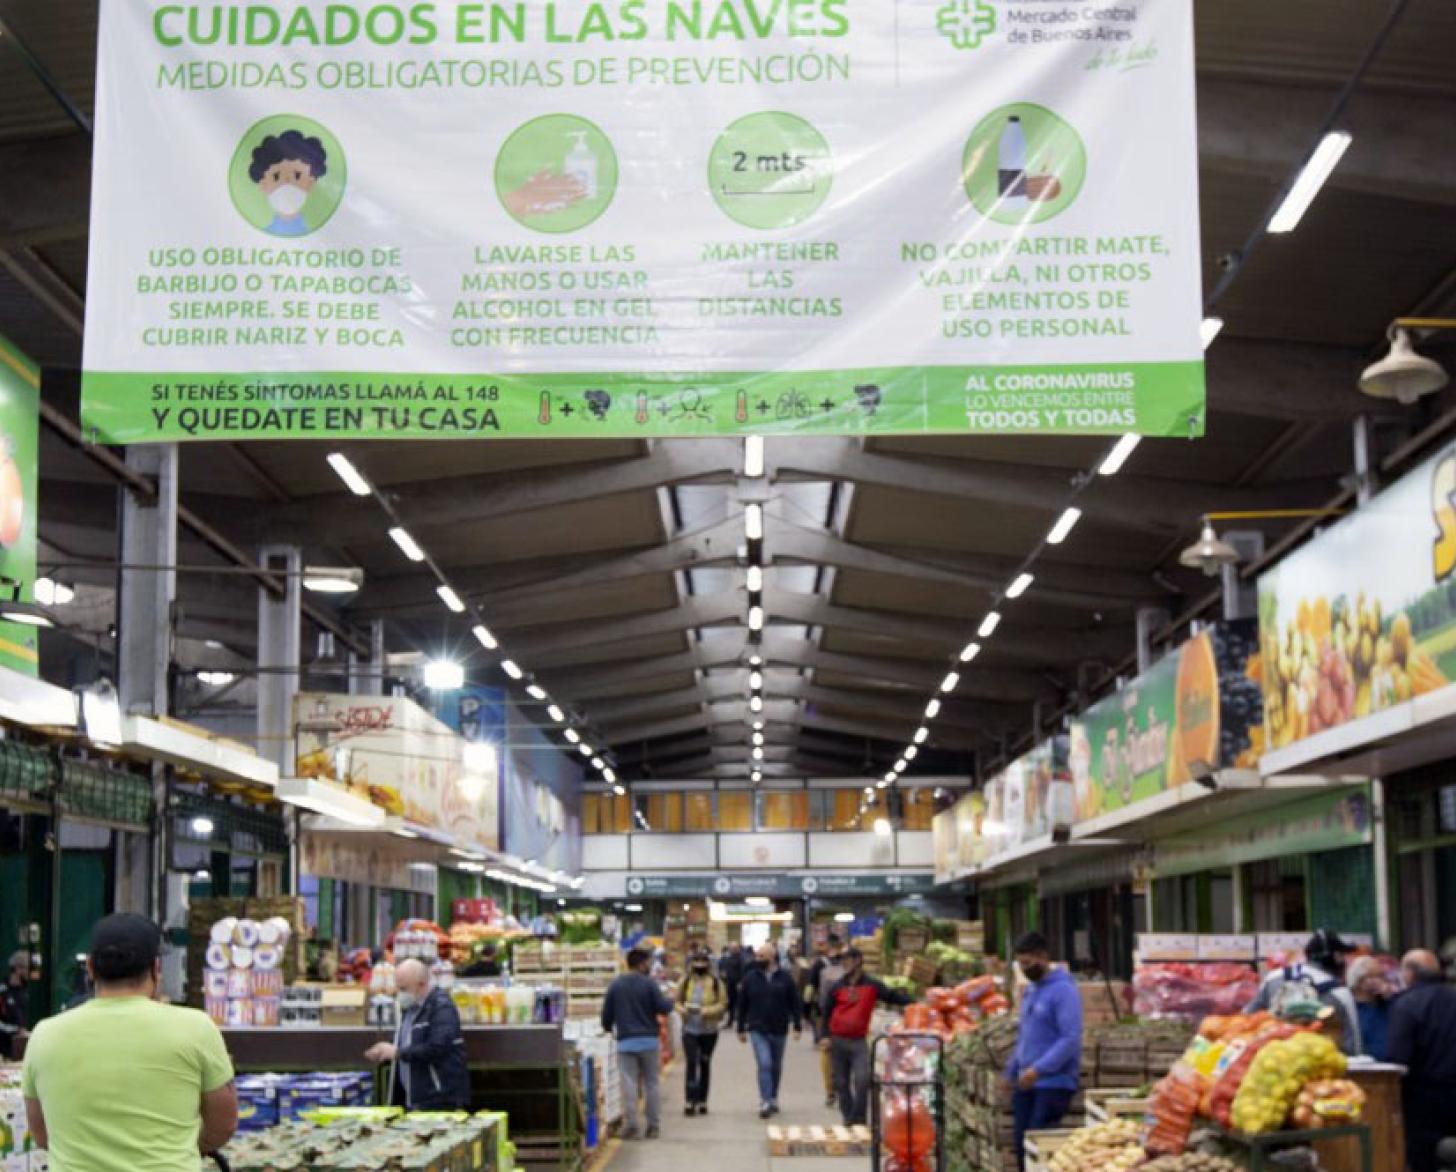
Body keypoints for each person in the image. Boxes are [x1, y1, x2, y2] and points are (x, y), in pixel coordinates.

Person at [21, 913, 237, 1172]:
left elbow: (42, 1135)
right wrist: (182, 1147)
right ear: (156, 969)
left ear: (90, 968)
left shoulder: (45, 1035)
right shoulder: (196, 1028)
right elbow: (222, 1125)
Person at [1004, 933, 1082, 1172]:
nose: (1024, 969)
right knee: (1022, 1144)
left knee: (1040, 1146)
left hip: (1053, 1083)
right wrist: (1012, 1070)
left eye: (1027, 964)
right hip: (1026, 1083)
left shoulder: (1063, 991)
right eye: (1020, 964)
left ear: (1043, 957)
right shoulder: (1031, 990)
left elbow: (1070, 1038)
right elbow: (1025, 1035)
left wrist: (1039, 1069)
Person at [821, 946, 913, 1125]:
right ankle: (848, 1117)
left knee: (863, 1079)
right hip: (837, 1041)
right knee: (840, 1082)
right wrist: (823, 1036)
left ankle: (859, 1116)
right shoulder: (837, 987)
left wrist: (914, 1003)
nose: (844, 963)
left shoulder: (872, 985)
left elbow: (891, 996)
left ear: (857, 961)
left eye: (847, 959)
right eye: (842, 960)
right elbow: (826, 1013)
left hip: (858, 1042)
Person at [364, 957, 469, 1110]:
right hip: (415, 1099)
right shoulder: (410, 1008)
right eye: (398, 988)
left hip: (438, 1099)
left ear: (421, 984)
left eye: (404, 989)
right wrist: (385, 1051)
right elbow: (408, 1043)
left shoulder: (441, 1007)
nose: (400, 994)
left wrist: (397, 1052)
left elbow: (436, 1048)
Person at [1387, 949, 1456, 1172]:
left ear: (1409, 973)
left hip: (1422, 1098)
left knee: (1422, 1159)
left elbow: (1398, 1058)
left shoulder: (1407, 1005)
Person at [1245, 929, 1361, 1054]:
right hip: (1319, 1065)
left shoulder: (1273, 977)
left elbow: (1246, 1019)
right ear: (1336, 957)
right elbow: (1353, 1047)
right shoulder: (1340, 993)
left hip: (1270, 1061)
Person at [602, 947, 673, 1140]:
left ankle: (632, 1125)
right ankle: (653, 1126)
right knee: (652, 1084)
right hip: (649, 1041)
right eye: (648, 963)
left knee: (629, 1084)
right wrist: (671, 1002)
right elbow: (662, 1008)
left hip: (626, 1043)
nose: (650, 966)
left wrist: (608, 1028)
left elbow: (607, 1014)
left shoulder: (616, 985)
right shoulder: (649, 985)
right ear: (641, 964)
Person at [736, 942, 802, 1118]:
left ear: (772, 957)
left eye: (761, 957)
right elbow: (742, 1003)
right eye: (757, 956)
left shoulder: (785, 978)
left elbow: (795, 1002)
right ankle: (765, 1101)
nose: (758, 960)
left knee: (775, 1065)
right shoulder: (750, 978)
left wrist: (797, 1025)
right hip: (757, 1028)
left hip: (779, 1028)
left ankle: (773, 1097)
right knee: (764, 1063)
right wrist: (740, 1027)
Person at [248, 129, 328, 237]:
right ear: (263, 185)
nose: (287, 184)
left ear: (310, 183)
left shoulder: (318, 236)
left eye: (297, 176)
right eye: (276, 177)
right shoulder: (258, 237)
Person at [676, 948, 728, 1115]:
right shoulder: (685, 982)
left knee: (705, 1063)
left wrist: (707, 1011)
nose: (699, 965)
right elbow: (676, 1001)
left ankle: (702, 1100)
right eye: (696, 962)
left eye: (703, 962)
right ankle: (690, 1100)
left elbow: (723, 1003)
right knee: (691, 1062)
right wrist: (682, 1009)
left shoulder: (715, 982)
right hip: (689, 1029)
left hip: (709, 1030)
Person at [809, 936, 849, 1107]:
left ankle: (831, 1090)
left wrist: (809, 1007)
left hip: (827, 1012)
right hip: (842, 1014)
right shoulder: (848, 969)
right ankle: (838, 1089)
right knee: (838, 1054)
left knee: (828, 1054)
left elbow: (813, 988)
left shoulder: (821, 967)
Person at [1346, 955, 1393, 1060]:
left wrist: (1390, 997)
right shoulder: (1348, 1006)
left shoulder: (1387, 1003)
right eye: (1372, 976)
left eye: (1381, 976)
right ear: (1358, 980)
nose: (1379, 981)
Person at [0, 950, 29, 1059]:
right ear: (17, 969)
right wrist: (16, 1030)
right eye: (26, 968)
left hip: (25, 1048)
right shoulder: (2, 991)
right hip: (5, 1050)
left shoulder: (28, 991)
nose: (28, 972)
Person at [719, 945, 744, 1025]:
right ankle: (730, 1020)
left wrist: (740, 982)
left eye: (733, 948)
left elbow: (742, 971)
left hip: (737, 983)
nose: (731, 950)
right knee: (730, 1002)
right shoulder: (729, 958)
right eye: (731, 948)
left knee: (739, 1002)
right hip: (729, 983)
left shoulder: (741, 958)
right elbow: (726, 969)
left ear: (737, 949)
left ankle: (740, 1021)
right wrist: (723, 974)